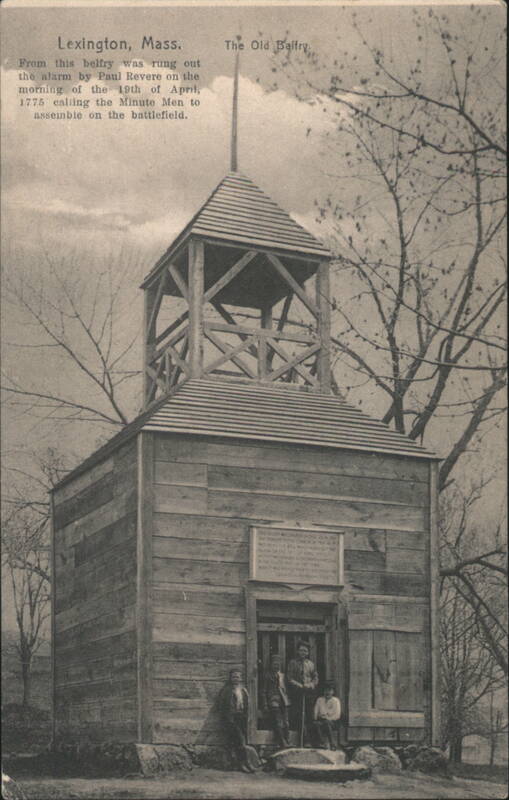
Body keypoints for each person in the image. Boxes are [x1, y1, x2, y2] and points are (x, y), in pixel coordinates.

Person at [218, 668, 255, 772]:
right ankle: (244, 763)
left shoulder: (243, 690)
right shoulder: (226, 690)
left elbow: (247, 704)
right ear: (230, 678)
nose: (236, 679)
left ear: (241, 678)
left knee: (238, 741)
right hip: (231, 719)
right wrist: (226, 718)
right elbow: (221, 706)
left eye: (238, 677)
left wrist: (247, 717)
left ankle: (237, 764)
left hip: (241, 718)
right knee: (240, 741)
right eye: (234, 677)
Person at [287, 640, 319, 746]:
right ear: (297, 651)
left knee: (309, 716)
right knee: (300, 716)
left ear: (308, 652)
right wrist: (299, 686)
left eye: (305, 651)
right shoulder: (293, 663)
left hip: (309, 692)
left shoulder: (310, 664)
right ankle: (303, 740)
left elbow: (315, 677)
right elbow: (289, 678)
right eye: (301, 650)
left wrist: (311, 685)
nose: (303, 653)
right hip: (297, 693)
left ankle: (311, 740)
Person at [262, 653, 291, 749]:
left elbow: (287, 688)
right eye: (274, 664)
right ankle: (282, 742)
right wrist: (265, 704)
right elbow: (264, 691)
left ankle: (287, 740)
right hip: (273, 700)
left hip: (284, 699)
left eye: (278, 664)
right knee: (278, 721)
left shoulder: (283, 676)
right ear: (271, 665)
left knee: (286, 722)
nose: (276, 665)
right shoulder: (267, 676)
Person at [313, 682, 341, 749]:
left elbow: (337, 715)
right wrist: (316, 718)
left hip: (333, 721)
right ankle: (321, 743)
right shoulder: (319, 700)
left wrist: (328, 718)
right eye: (326, 690)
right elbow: (315, 712)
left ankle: (332, 744)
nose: (327, 692)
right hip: (322, 720)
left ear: (333, 691)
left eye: (329, 690)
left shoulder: (336, 701)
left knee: (326, 723)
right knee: (316, 724)